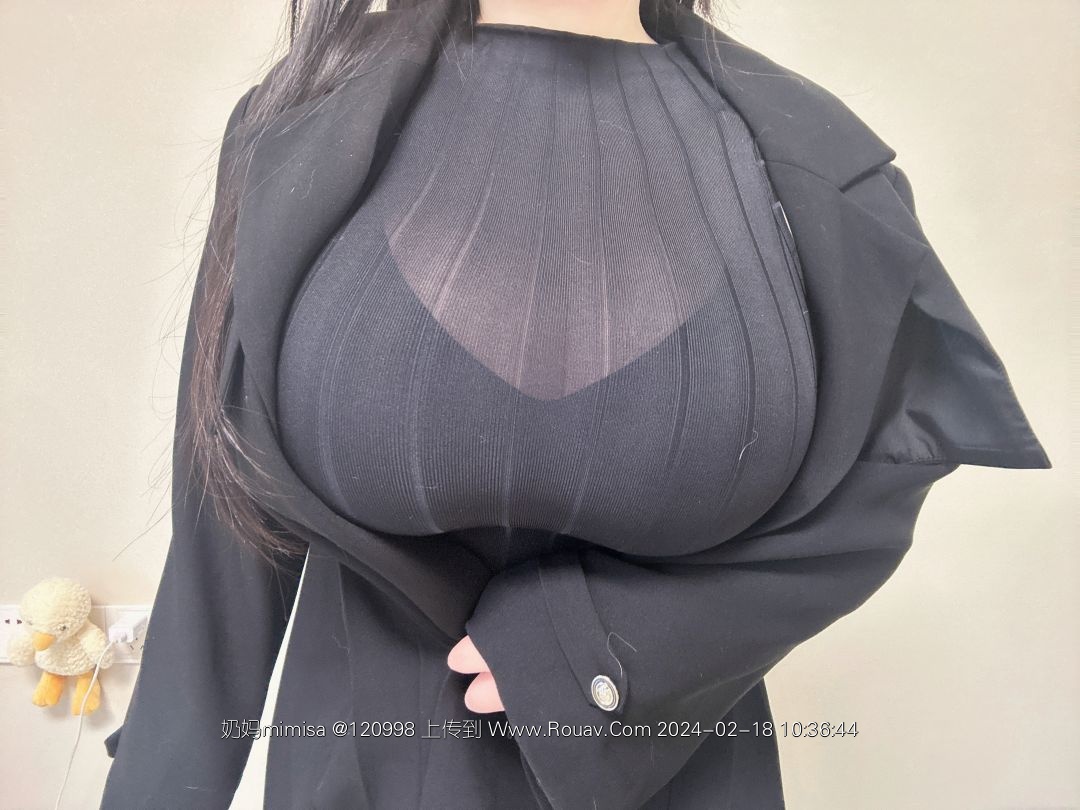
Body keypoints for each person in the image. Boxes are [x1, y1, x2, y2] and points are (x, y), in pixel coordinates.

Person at [99, 1, 1052, 808]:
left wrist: (596, 653)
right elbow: (226, 532)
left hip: (678, 774)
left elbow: (879, 471)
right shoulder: (299, 128)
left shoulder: (818, 171)